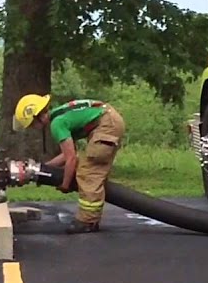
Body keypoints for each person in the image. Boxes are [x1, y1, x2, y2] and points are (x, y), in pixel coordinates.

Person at [13, 93, 125, 234]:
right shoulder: (60, 116)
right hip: (109, 120)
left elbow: (71, 157)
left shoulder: (57, 124)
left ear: (38, 116)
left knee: (88, 174)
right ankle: (92, 220)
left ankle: (87, 221)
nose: (33, 128)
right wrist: (45, 168)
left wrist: (65, 184)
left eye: (32, 124)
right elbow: (68, 155)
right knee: (92, 171)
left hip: (107, 124)